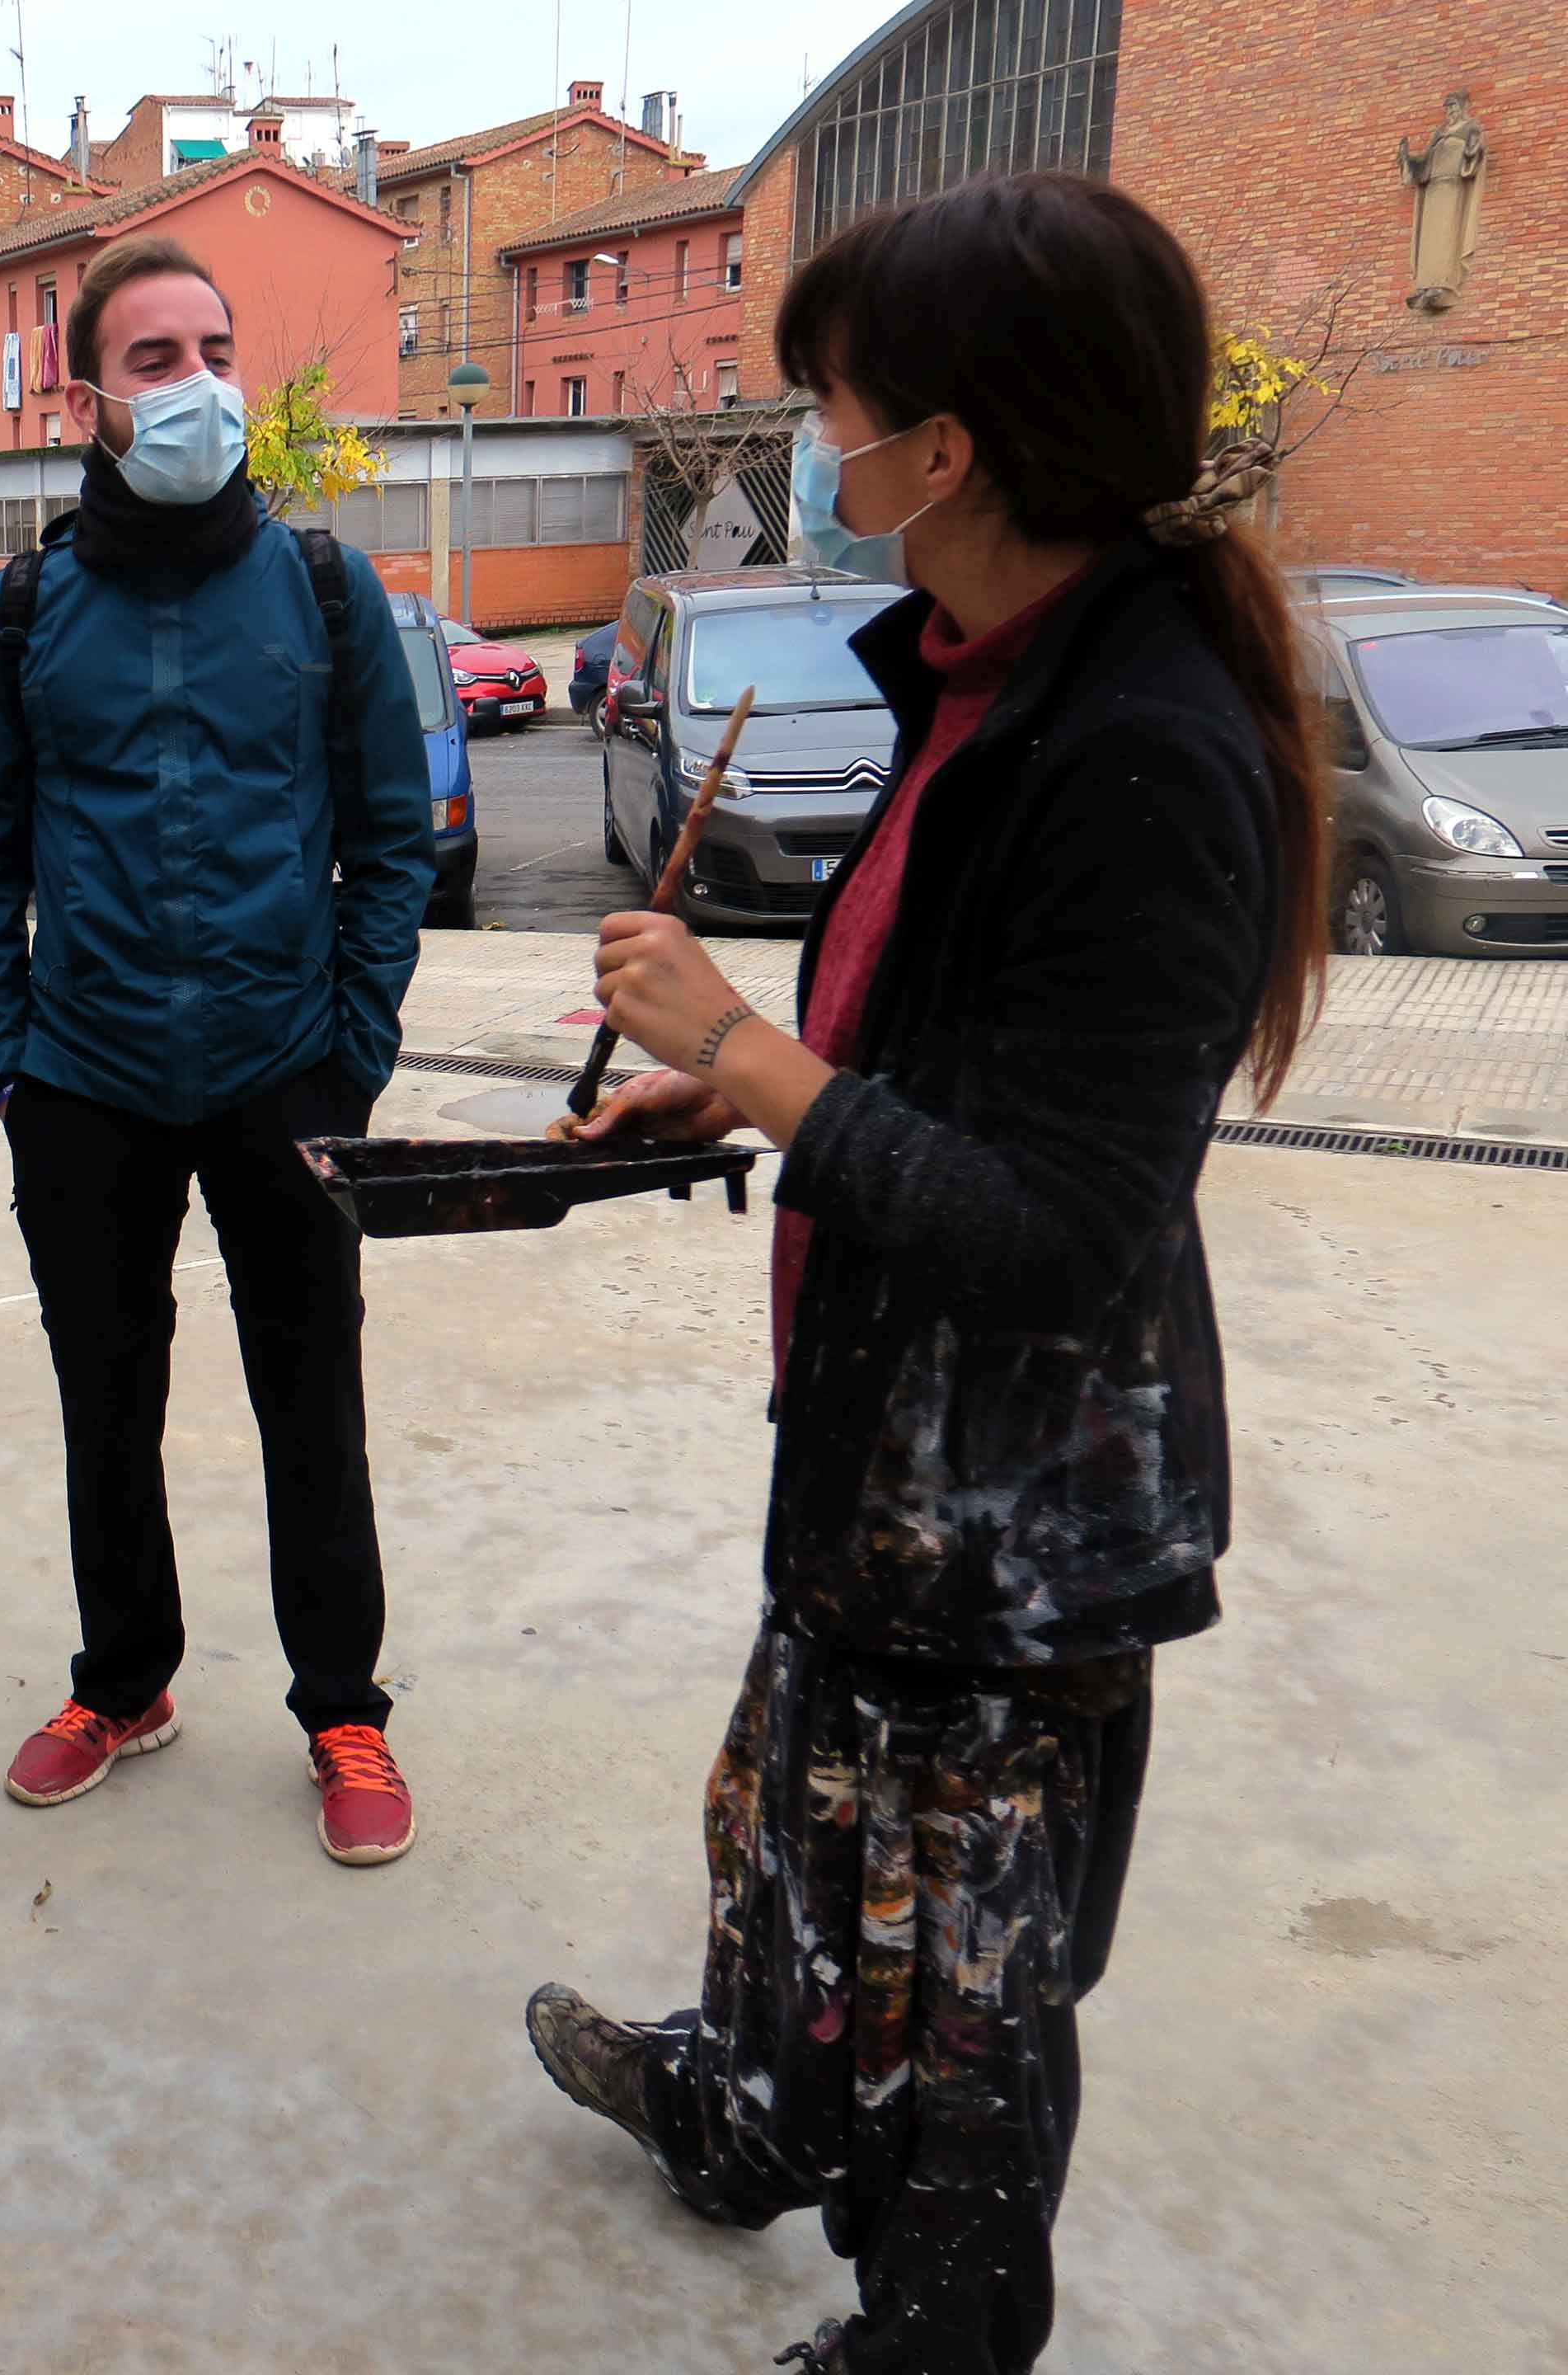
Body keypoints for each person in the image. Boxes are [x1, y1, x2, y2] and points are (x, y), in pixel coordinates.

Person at [521, 172, 1329, 2373]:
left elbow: (1068, 1229)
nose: (818, 448)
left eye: (832, 410)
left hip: (1021, 1519)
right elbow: (943, 1055)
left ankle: (935, 2340)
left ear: (949, 449)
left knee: (960, 1991)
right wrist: (753, 1099)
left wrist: (758, 1058)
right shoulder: (986, 681)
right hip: (883, 1452)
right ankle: (741, 2114)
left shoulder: (1141, 746)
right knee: (788, 1833)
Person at [0, 236, 439, 1867]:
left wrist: (352, 1047)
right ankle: (124, 1682)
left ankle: (342, 1705)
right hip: (84, 1080)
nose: (198, 383)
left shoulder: (324, 590)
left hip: (284, 1066)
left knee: (314, 1390)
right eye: (156, 359)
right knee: (107, 1398)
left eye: (214, 348)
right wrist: (12, 1052)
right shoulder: (17, 617)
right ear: (92, 396)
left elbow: (388, 836)